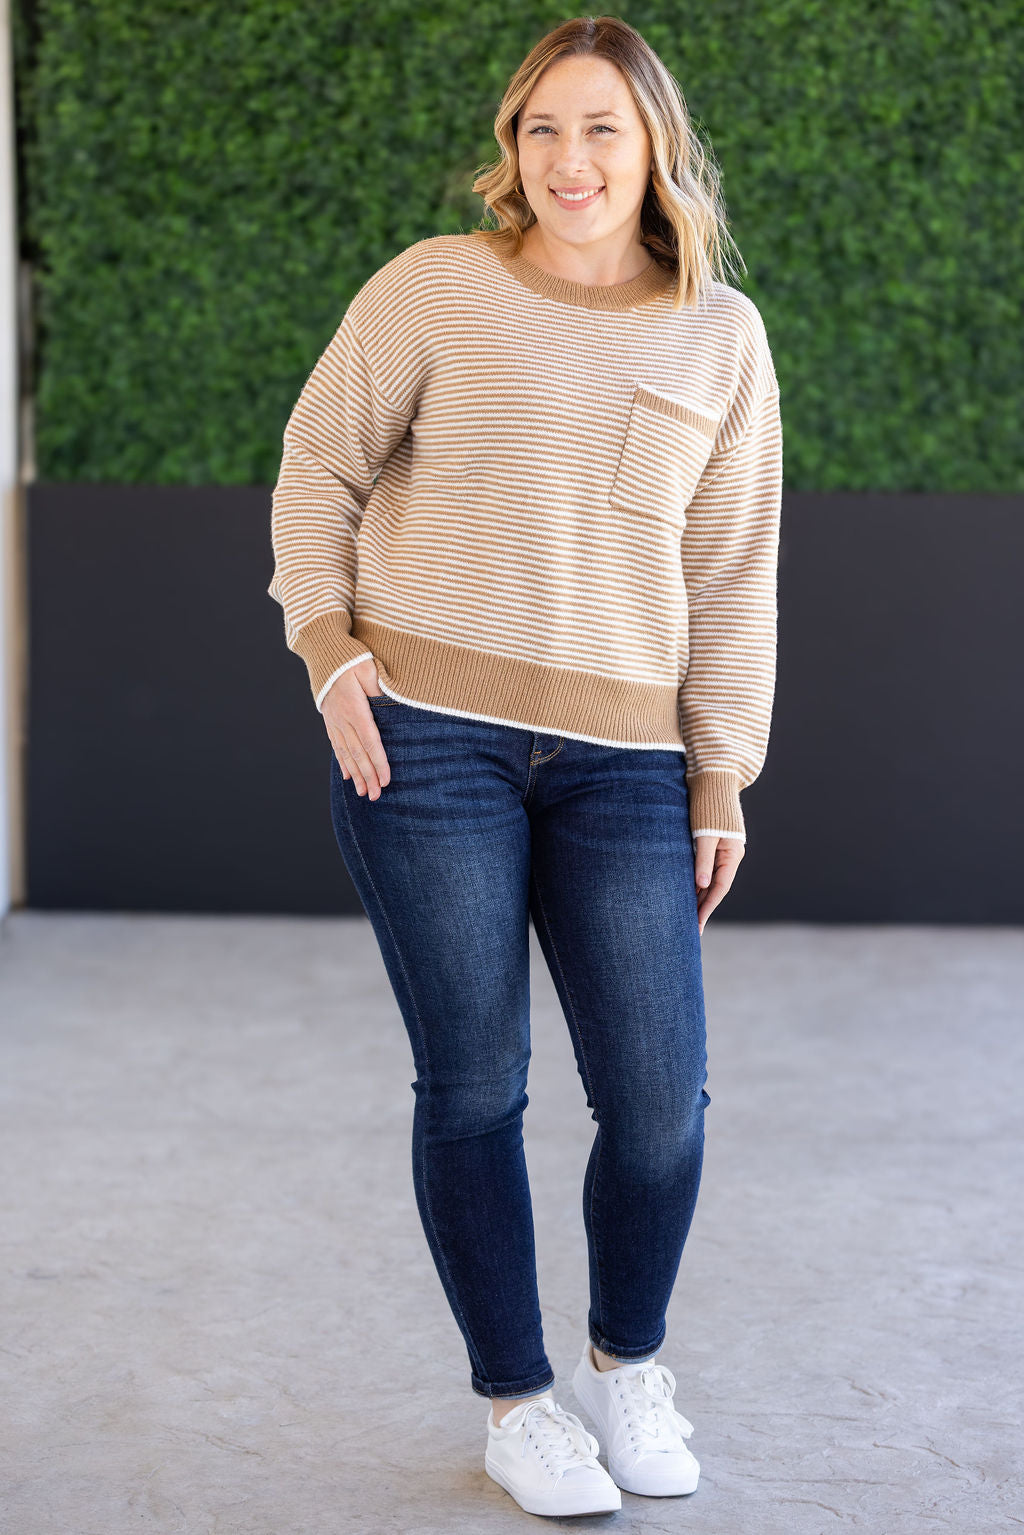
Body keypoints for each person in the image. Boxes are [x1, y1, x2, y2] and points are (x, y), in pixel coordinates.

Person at [268, 14, 782, 1520]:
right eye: (543, 128)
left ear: (654, 147)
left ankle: (629, 1367)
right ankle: (517, 1404)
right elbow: (318, 465)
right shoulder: (435, 287)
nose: (570, 159)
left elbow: (731, 572)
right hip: (428, 742)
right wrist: (329, 648)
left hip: (627, 765)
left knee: (662, 1101)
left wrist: (721, 773)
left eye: (601, 128)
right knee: (475, 1085)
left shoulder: (720, 335)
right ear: (514, 146)